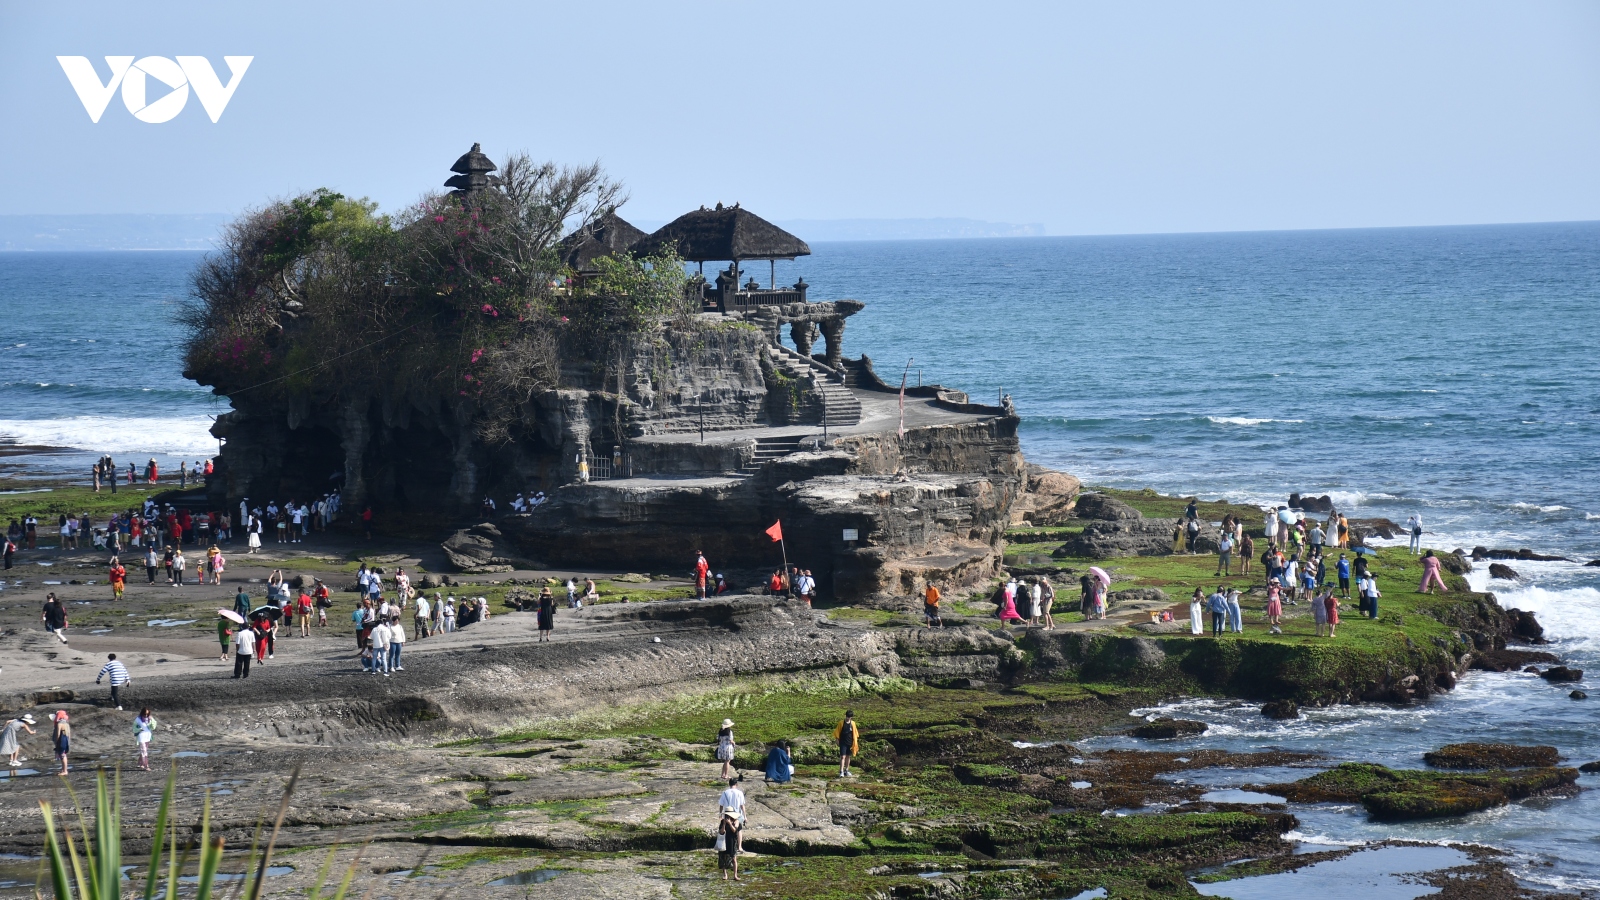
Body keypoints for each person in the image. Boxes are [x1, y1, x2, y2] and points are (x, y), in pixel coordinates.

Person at [715, 791, 744, 881]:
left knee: (734, 859)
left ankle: (735, 875)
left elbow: (735, 830)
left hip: (732, 842)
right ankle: (725, 874)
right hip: (724, 841)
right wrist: (724, 824)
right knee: (723, 858)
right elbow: (721, 832)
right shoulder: (723, 821)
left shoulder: (736, 821)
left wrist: (729, 824)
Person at [834, 710, 859, 777]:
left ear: (851, 717)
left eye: (849, 717)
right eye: (847, 716)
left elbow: (855, 733)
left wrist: (855, 742)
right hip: (843, 742)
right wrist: (837, 739)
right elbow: (837, 732)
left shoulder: (853, 723)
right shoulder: (841, 723)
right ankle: (841, 771)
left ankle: (847, 770)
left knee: (848, 756)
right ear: (846, 716)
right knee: (843, 756)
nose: (848, 718)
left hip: (850, 742)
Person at [51, 711, 71, 776]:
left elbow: (58, 734)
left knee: (62, 755)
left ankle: (65, 771)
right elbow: (69, 734)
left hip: (61, 740)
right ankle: (63, 770)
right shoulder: (66, 723)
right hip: (66, 740)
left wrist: (57, 742)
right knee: (63, 754)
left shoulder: (59, 724)